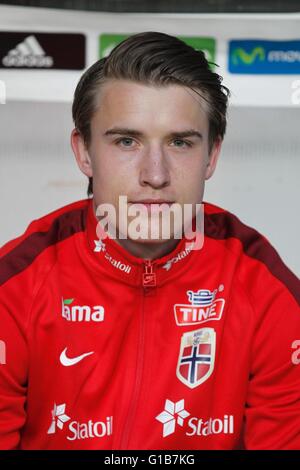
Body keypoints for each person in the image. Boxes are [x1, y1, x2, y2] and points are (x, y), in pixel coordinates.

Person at [0, 31, 299, 451]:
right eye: (126, 141)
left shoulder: (263, 284)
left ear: (212, 155)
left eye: (180, 142)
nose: (155, 175)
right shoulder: (16, 283)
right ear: (84, 151)